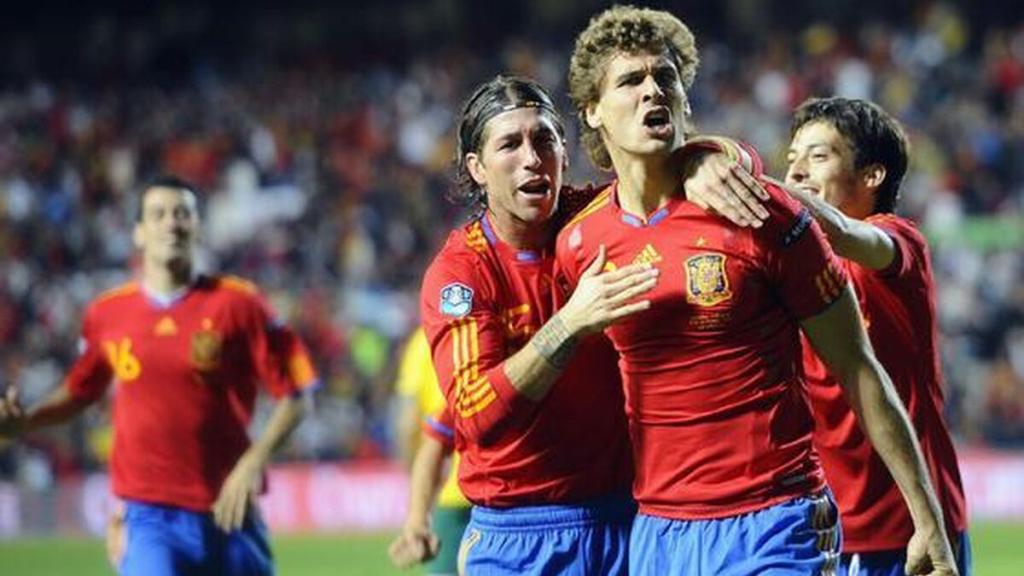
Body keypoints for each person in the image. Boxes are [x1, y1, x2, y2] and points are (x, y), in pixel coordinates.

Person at [556, 5, 958, 575]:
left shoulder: (761, 213)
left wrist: (926, 517)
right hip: (659, 529)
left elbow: (857, 366)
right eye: (630, 81)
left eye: (665, 77)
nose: (652, 91)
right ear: (592, 110)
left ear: (685, 101)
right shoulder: (579, 242)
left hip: (773, 519)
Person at [418, 74, 763, 575]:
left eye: (544, 140)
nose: (532, 158)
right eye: (510, 145)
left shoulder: (600, 219)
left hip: (629, 520)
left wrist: (714, 155)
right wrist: (568, 325)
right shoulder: (463, 275)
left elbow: (706, 171)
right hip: (518, 536)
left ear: (564, 150)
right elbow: (474, 415)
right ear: (477, 168)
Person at [0, 175, 318, 576]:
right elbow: (80, 391)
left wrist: (252, 462)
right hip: (149, 518)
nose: (171, 222)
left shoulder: (241, 304)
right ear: (138, 232)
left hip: (230, 510)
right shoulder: (107, 314)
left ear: (198, 226)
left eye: (182, 213)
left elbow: (298, 395)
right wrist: (26, 421)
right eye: (159, 214)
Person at [782, 97, 970, 576]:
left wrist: (747, 181)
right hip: (825, 529)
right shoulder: (789, 268)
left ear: (872, 176)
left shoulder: (897, 243)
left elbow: (844, 233)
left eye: (818, 156)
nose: (797, 171)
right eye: (792, 158)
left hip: (912, 530)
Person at [389, 327, 471, 575]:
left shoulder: (423, 340)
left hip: (449, 490)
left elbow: (407, 423)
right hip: (505, 492)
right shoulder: (489, 328)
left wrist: (418, 479)